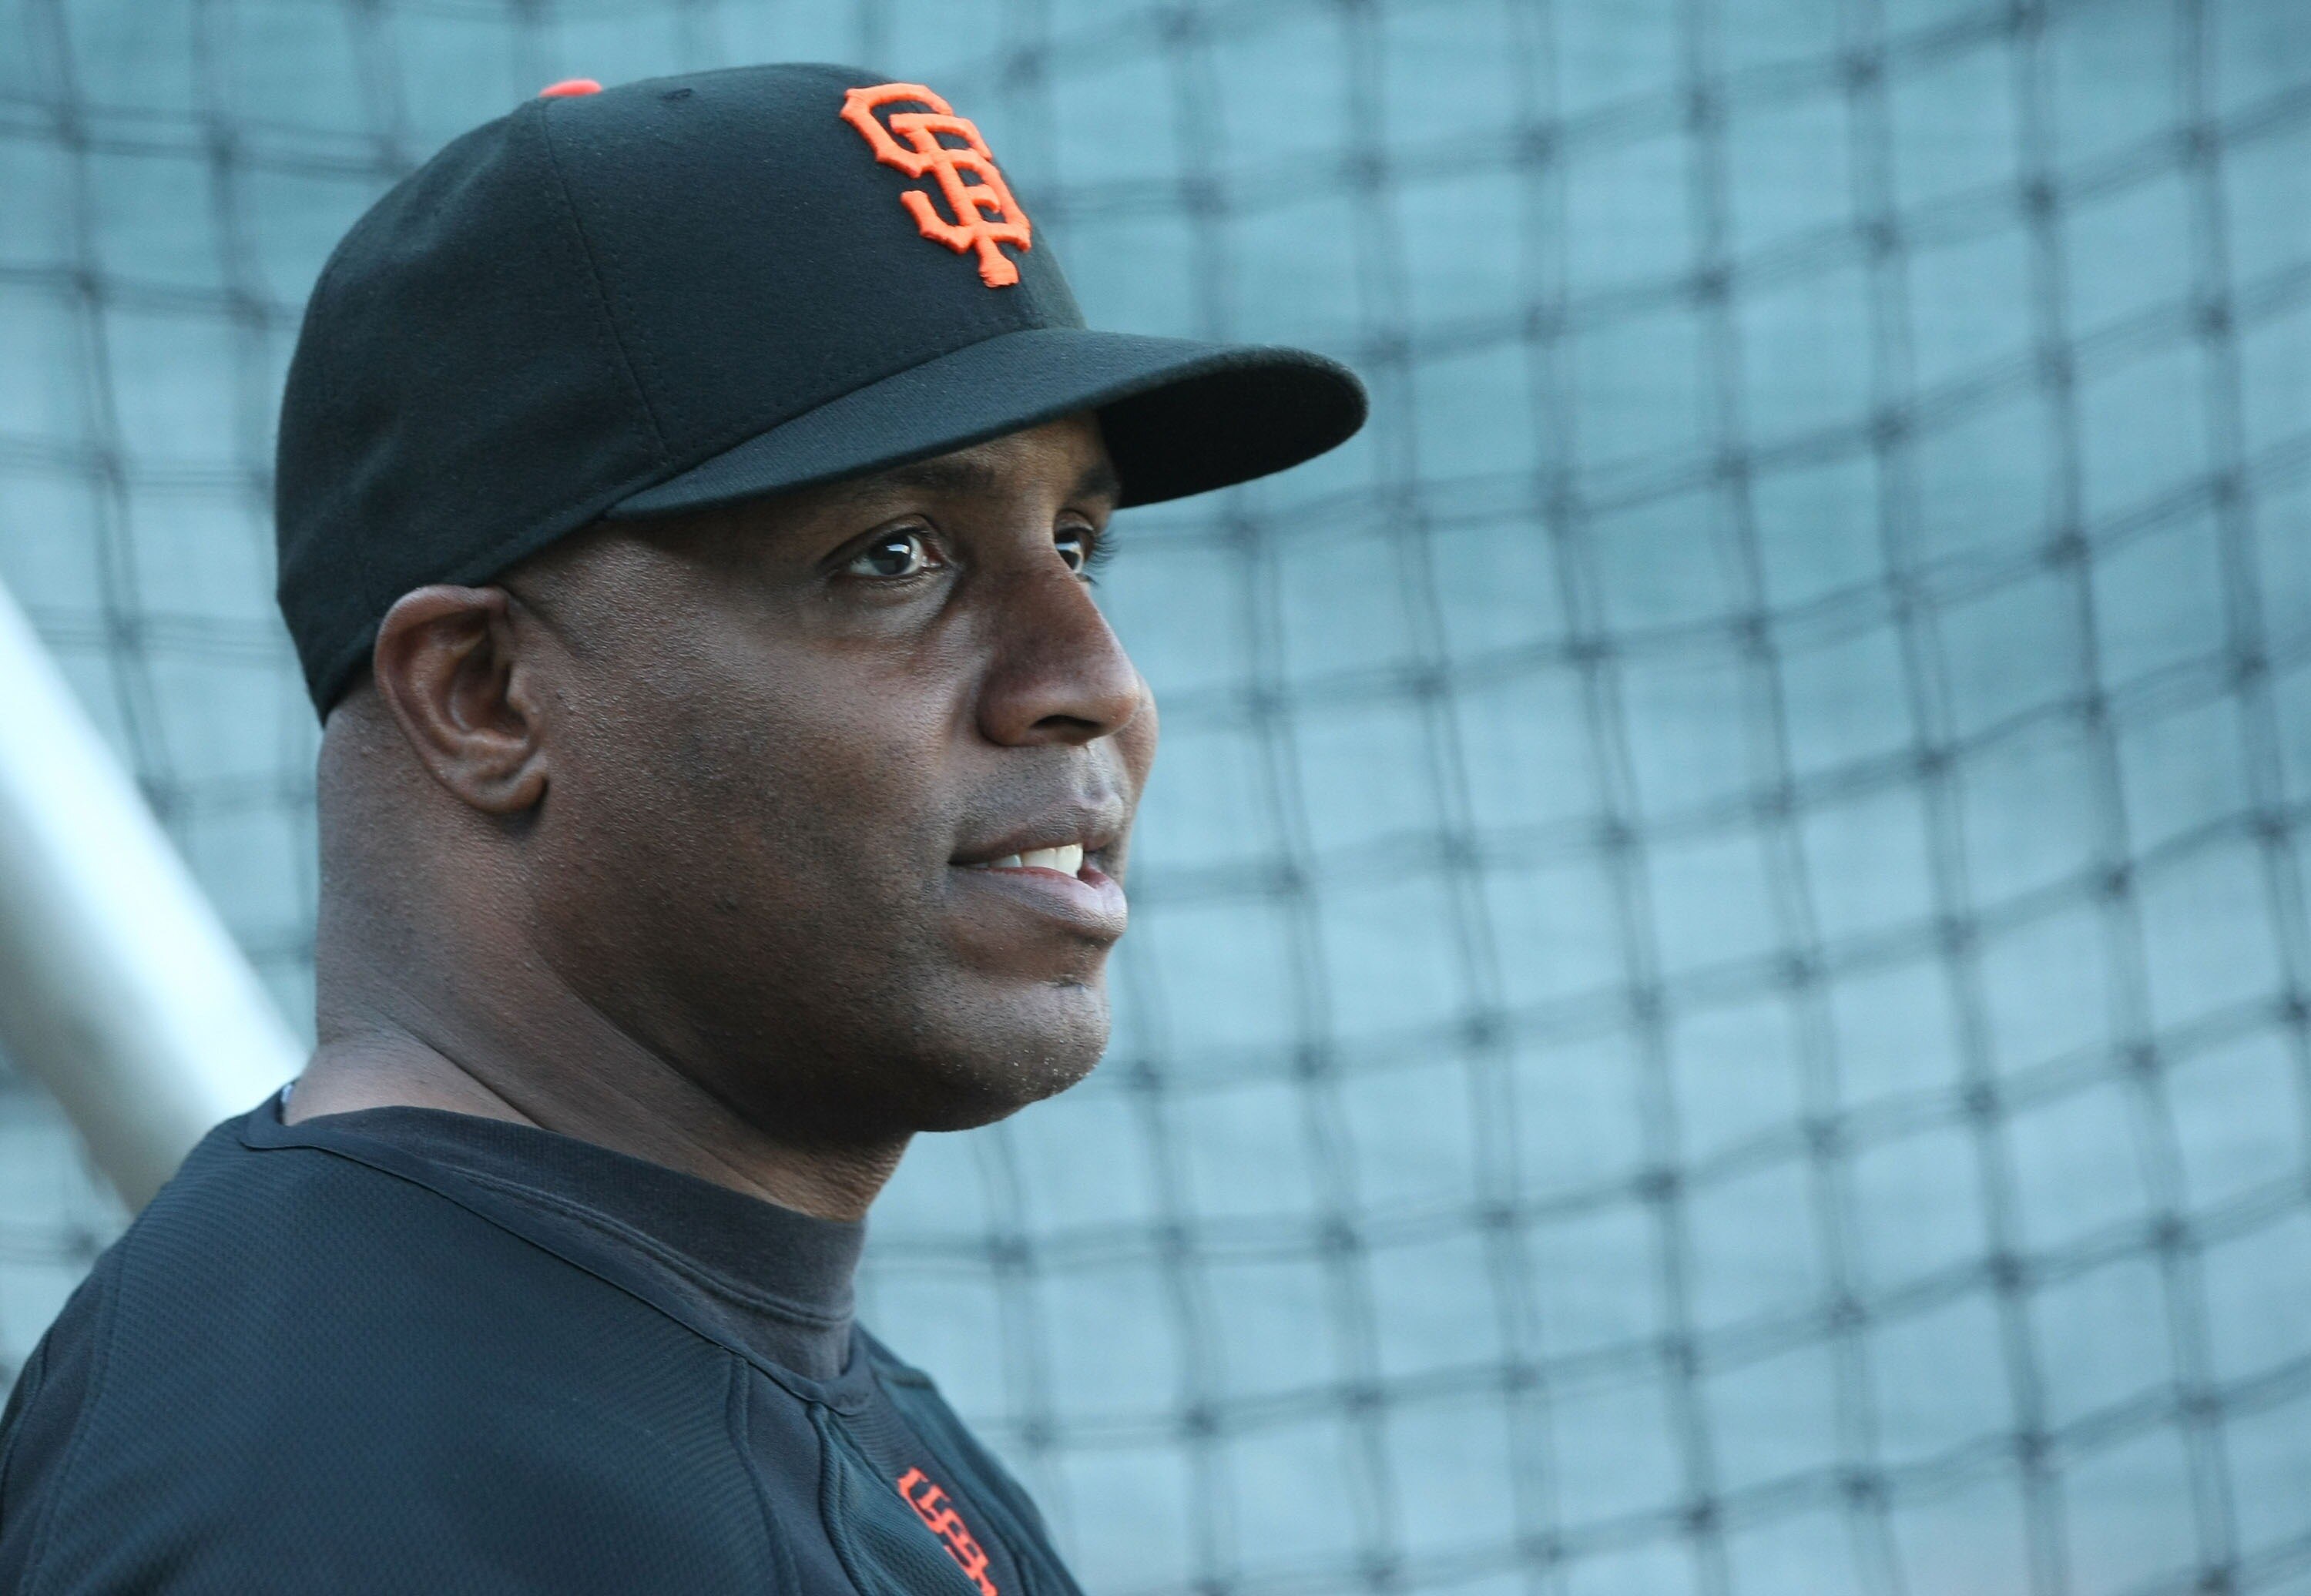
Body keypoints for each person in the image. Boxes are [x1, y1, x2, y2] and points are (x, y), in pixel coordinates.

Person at [0, 63, 1363, 1594]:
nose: (1096, 683)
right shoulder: (347, 1492)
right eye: (896, 555)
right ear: (485, 697)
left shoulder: (751, 1384)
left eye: (1076, 544)